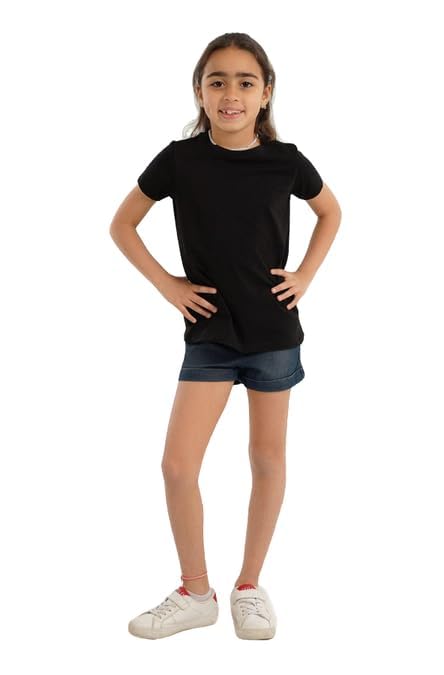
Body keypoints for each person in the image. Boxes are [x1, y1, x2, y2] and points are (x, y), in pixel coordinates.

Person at [109, 32, 341, 641]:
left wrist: (306, 275)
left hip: (273, 331)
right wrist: (169, 286)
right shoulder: (179, 160)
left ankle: (248, 587)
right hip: (210, 333)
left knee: (266, 458)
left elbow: (330, 211)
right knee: (177, 466)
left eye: (245, 82)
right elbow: (123, 224)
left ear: (265, 93)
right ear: (200, 91)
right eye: (217, 81)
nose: (230, 93)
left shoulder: (286, 160)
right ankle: (196, 593)